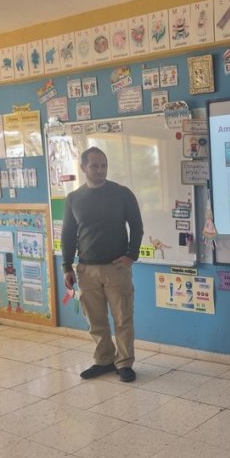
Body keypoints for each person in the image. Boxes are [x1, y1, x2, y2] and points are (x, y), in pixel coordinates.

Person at [61, 147, 144, 383]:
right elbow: (68, 234)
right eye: (94, 166)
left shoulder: (121, 193)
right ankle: (104, 360)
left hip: (116, 268)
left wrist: (131, 255)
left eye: (103, 165)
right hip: (86, 270)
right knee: (95, 321)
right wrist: (66, 266)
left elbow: (136, 226)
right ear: (83, 168)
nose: (100, 170)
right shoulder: (74, 198)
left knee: (123, 319)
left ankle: (124, 363)